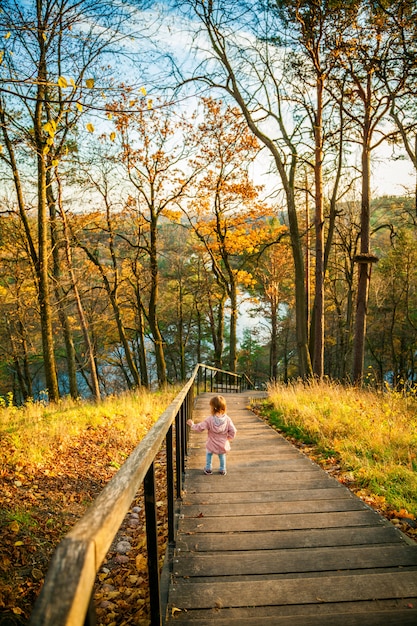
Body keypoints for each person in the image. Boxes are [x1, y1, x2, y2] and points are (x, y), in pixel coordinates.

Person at [187, 395, 237, 475]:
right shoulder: (227, 419)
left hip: (211, 442)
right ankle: (222, 469)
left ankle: (208, 468)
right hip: (222, 443)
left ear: (213, 408)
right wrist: (229, 438)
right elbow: (233, 430)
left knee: (209, 453)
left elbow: (200, 427)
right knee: (222, 455)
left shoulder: (209, 419)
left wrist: (192, 425)